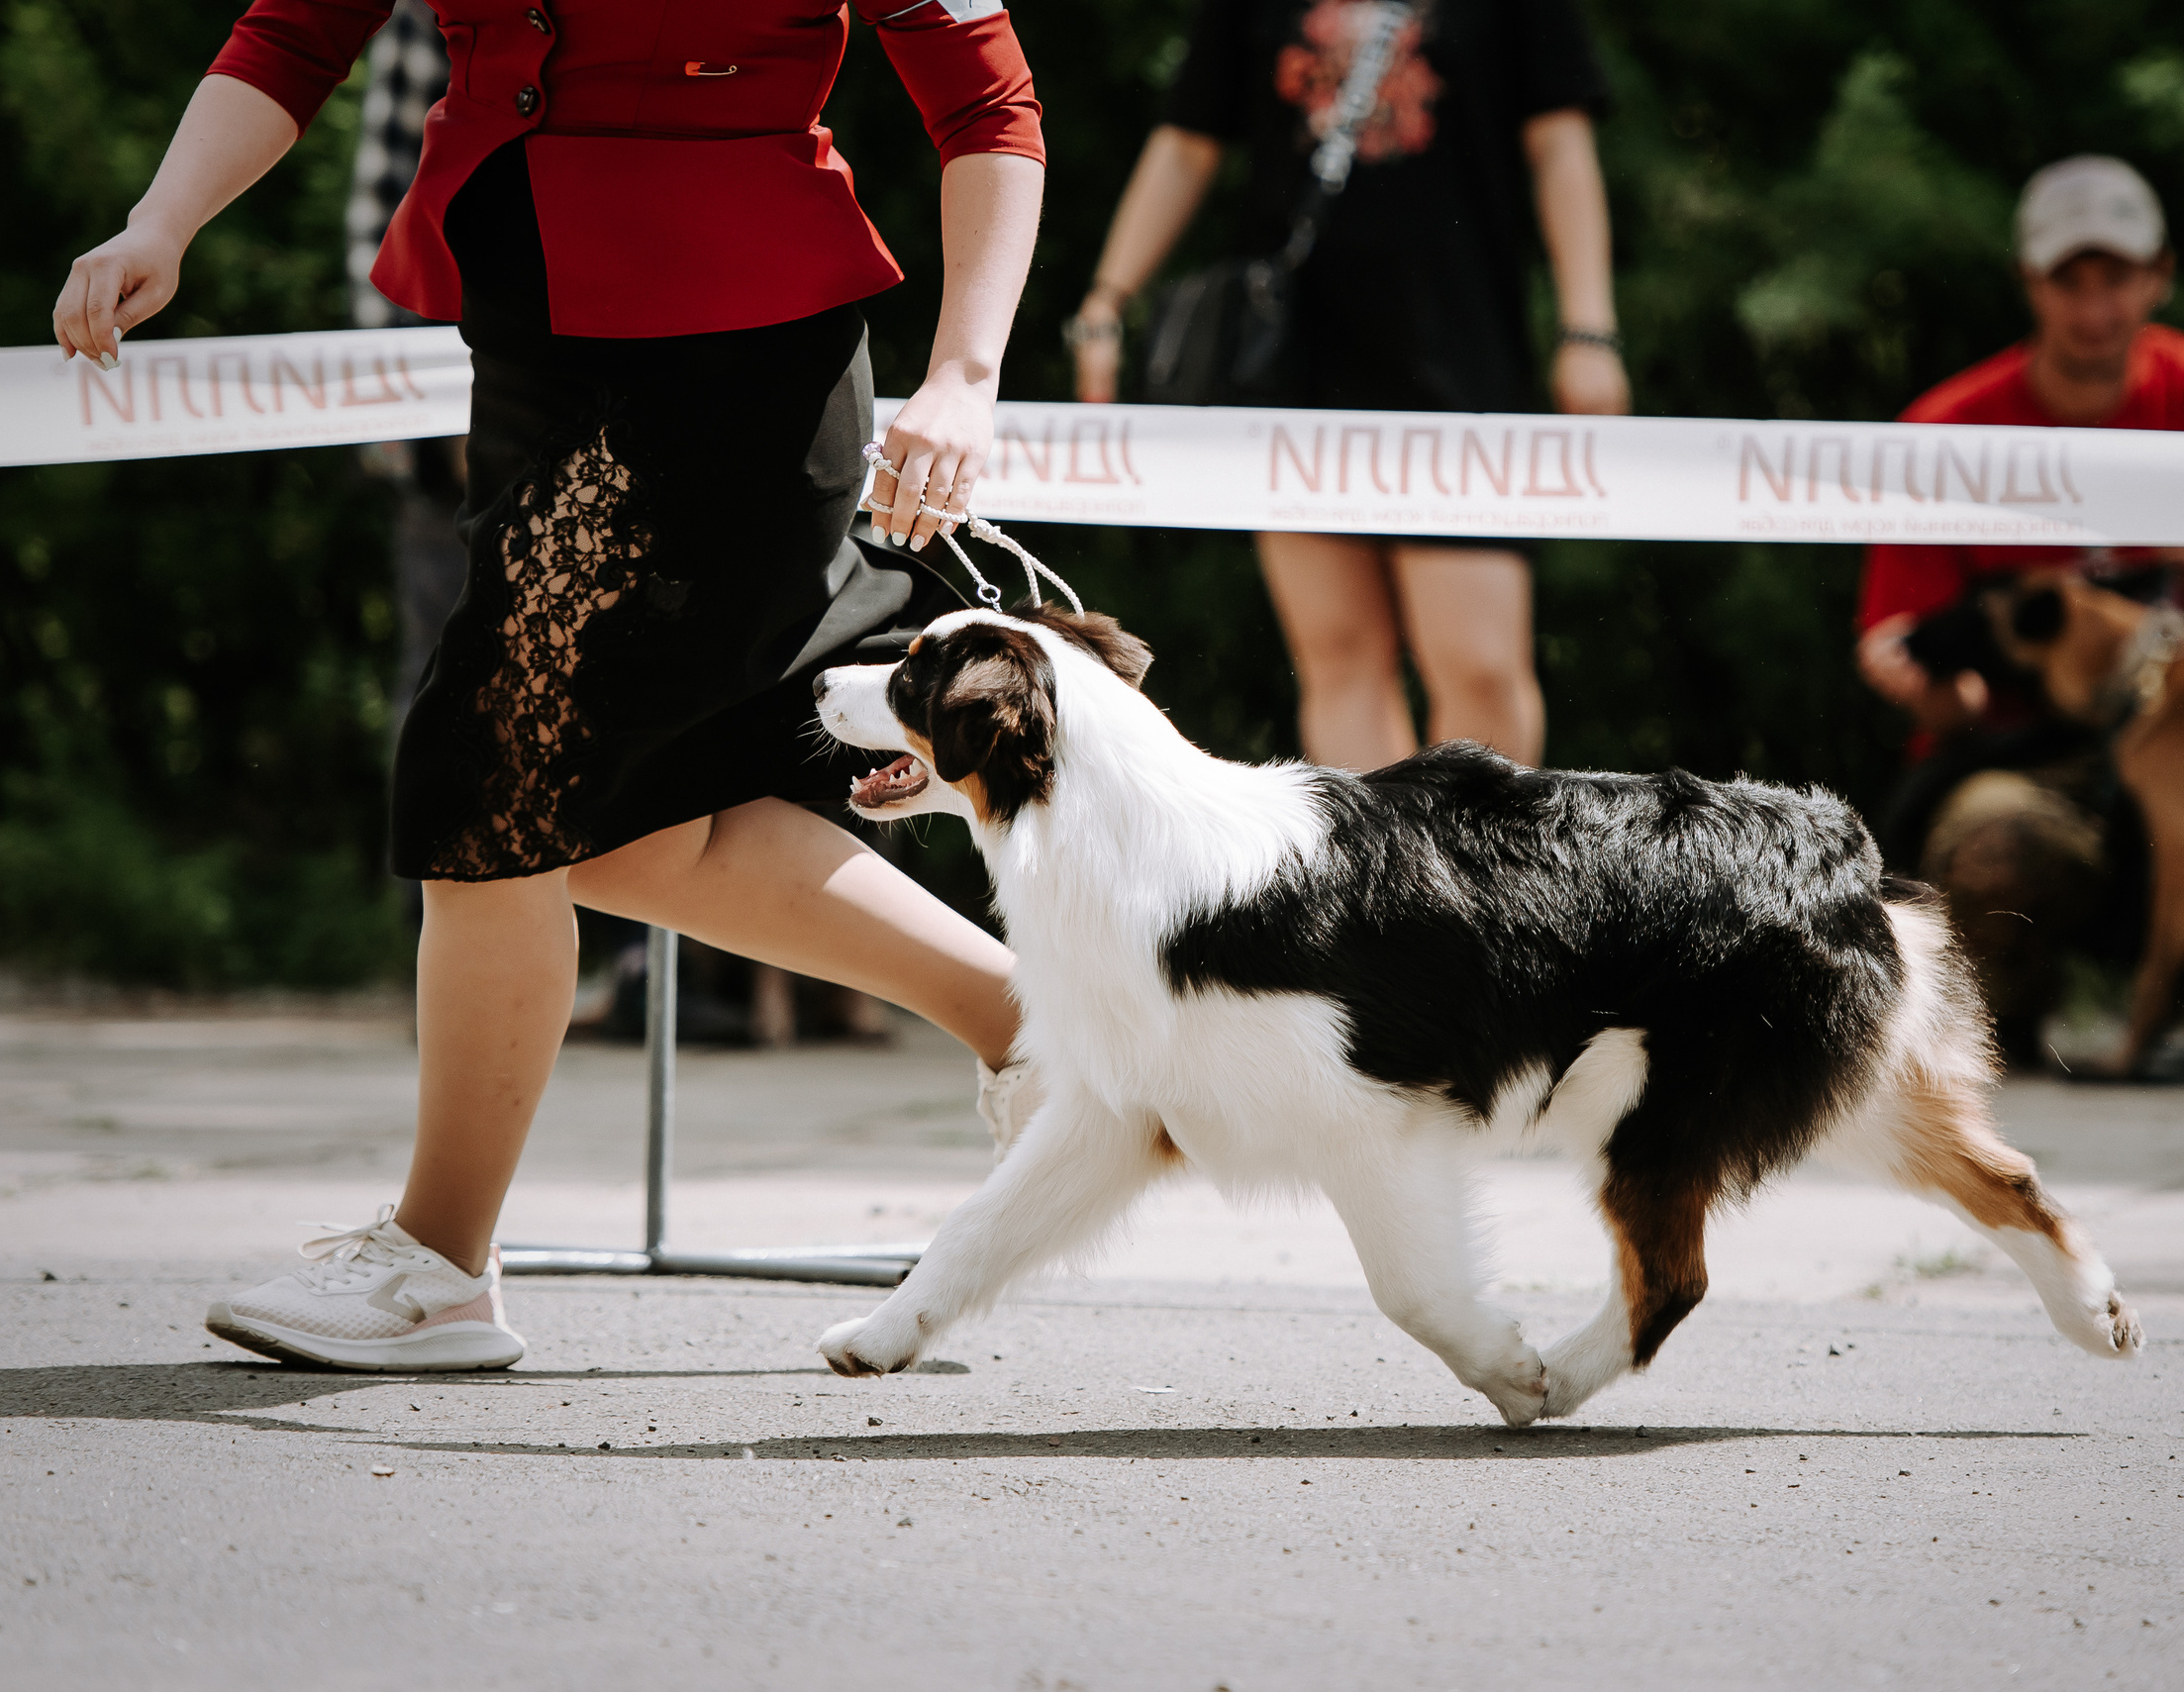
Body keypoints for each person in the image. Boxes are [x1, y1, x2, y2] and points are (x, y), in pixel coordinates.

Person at [53, 0, 1046, 1371]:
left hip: (736, 374)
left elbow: (989, 105)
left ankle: (439, 1266)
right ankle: (1032, 1026)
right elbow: (294, 34)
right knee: (633, 830)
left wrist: (965, 377)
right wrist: (160, 220)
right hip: (535, 348)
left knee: (489, 778)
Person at [1852, 155, 2184, 1076]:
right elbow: (1919, 663)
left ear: (2158, 276)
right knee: (1989, 854)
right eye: (2069, 280)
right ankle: (2003, 1036)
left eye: (2118, 279)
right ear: (2029, 283)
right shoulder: (1946, 434)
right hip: (2040, 762)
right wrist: (1933, 696)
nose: (2095, 309)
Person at [1067, 0, 1627, 770]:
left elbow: (1560, 146)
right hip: (1292, 361)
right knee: (1338, 655)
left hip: (1457, 355)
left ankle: (1485, 888)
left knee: (1480, 665)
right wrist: (1107, 300)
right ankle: (1384, 889)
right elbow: (1186, 143)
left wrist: (1588, 329)